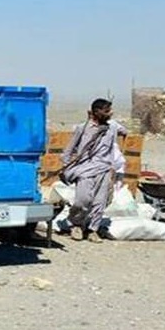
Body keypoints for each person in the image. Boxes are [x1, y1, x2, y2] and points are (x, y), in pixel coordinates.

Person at [60, 98, 128, 243]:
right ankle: (76, 225)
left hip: (104, 169)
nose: (111, 113)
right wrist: (68, 168)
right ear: (97, 112)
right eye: (107, 111)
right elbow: (68, 151)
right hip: (85, 170)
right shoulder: (82, 128)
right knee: (82, 200)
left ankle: (92, 230)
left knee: (99, 202)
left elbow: (124, 132)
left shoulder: (112, 127)